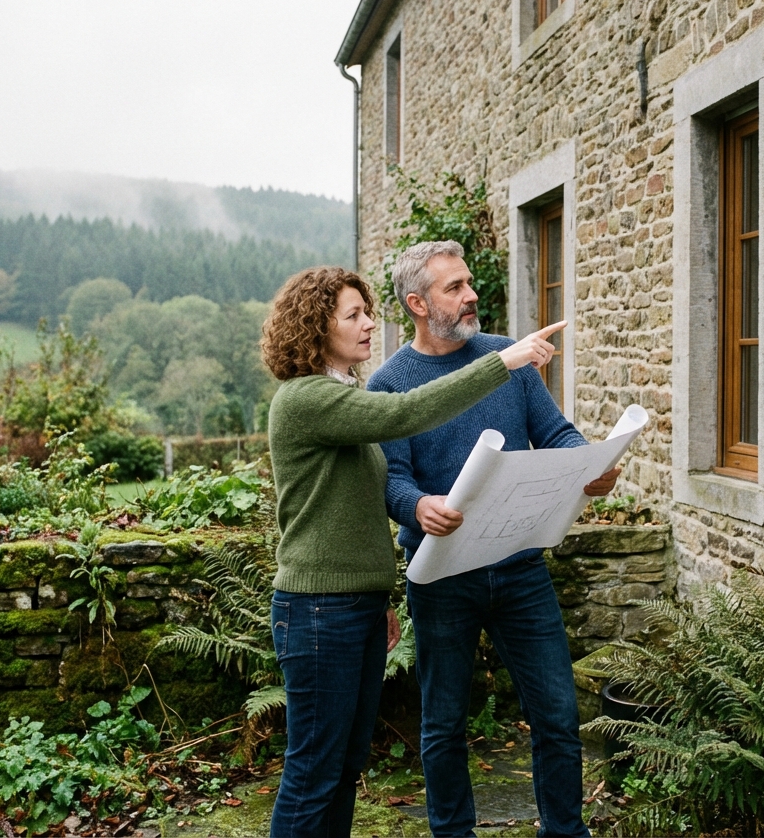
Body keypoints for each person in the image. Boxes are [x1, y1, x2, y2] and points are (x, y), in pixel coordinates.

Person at [260, 265, 564, 838]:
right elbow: (404, 413)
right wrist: (504, 360)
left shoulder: (338, 395)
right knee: (312, 773)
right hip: (318, 612)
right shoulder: (307, 400)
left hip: (353, 606)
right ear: (314, 328)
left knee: (343, 768)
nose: (369, 323)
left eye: (366, 311)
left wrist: (382, 597)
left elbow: (352, 513)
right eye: (353, 315)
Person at [367, 241, 619, 838]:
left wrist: (590, 466)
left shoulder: (506, 357)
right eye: (454, 287)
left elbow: (554, 431)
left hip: (519, 566)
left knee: (557, 714)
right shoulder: (389, 383)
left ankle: (565, 831)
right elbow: (392, 479)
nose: (471, 294)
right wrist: (417, 505)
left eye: (468, 283)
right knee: (444, 724)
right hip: (441, 574)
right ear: (418, 304)